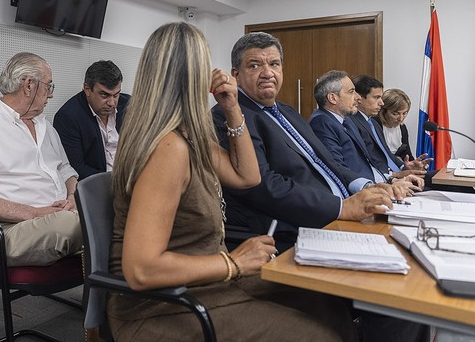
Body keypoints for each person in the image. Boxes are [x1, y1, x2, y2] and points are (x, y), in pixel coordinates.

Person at [109, 22, 357, 341]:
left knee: (328, 300)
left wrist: (233, 108)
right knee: (321, 336)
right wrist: (234, 262)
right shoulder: (167, 149)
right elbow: (141, 270)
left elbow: (246, 176)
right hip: (163, 306)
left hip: (206, 282)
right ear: (191, 77)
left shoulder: (190, 135)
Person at [211, 33, 428, 342]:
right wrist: (343, 207)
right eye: (255, 65)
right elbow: (263, 186)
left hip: (339, 218)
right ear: (236, 75)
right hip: (293, 230)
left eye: (274, 63)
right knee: (395, 299)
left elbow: (328, 163)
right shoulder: (229, 115)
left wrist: (370, 187)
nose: (267, 72)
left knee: (413, 271)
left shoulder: (286, 112)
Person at [0, 52, 82, 267]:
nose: (50, 94)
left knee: (106, 214)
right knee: (81, 224)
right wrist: (36, 213)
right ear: (29, 85)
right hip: (10, 230)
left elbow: (67, 171)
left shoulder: (46, 127)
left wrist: (71, 196)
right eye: (48, 85)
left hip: (63, 217)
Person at [309, 70, 423, 190]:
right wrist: (380, 187)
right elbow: (336, 167)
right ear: (333, 98)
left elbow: (369, 162)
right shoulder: (322, 122)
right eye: (351, 92)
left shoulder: (346, 120)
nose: (358, 98)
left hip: (379, 184)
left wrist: (392, 180)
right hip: (362, 193)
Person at [53, 60, 130, 179]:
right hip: (98, 186)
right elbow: (75, 167)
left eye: (116, 95)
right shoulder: (68, 117)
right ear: (87, 89)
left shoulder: (130, 106)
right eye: (104, 95)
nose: (112, 103)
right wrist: (116, 180)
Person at [350, 75, 430, 177]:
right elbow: (370, 160)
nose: (381, 103)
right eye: (376, 97)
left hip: (396, 173)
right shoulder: (361, 123)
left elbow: (389, 154)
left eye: (404, 113)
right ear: (359, 98)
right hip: (385, 177)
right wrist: (394, 176)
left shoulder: (373, 124)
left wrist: (406, 166)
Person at [375, 88, 415, 160]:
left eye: (404, 113)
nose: (401, 118)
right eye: (395, 114)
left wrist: (416, 164)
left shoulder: (402, 128)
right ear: (383, 111)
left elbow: (407, 155)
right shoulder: (374, 125)